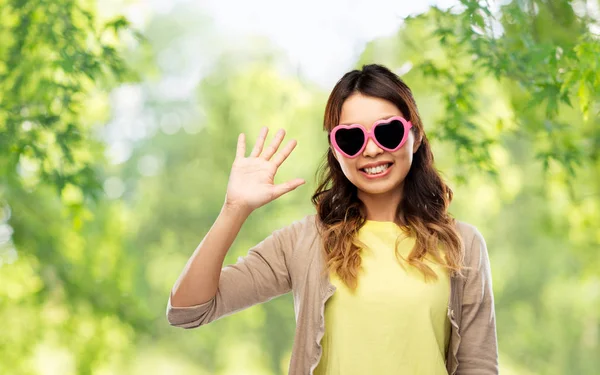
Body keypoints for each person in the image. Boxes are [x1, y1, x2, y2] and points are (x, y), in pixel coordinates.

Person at [166, 64, 498, 375]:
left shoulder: (462, 245)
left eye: (388, 132)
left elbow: (478, 366)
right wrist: (233, 209)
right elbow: (188, 309)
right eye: (352, 138)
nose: (370, 150)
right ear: (336, 151)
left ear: (416, 135)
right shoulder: (304, 242)